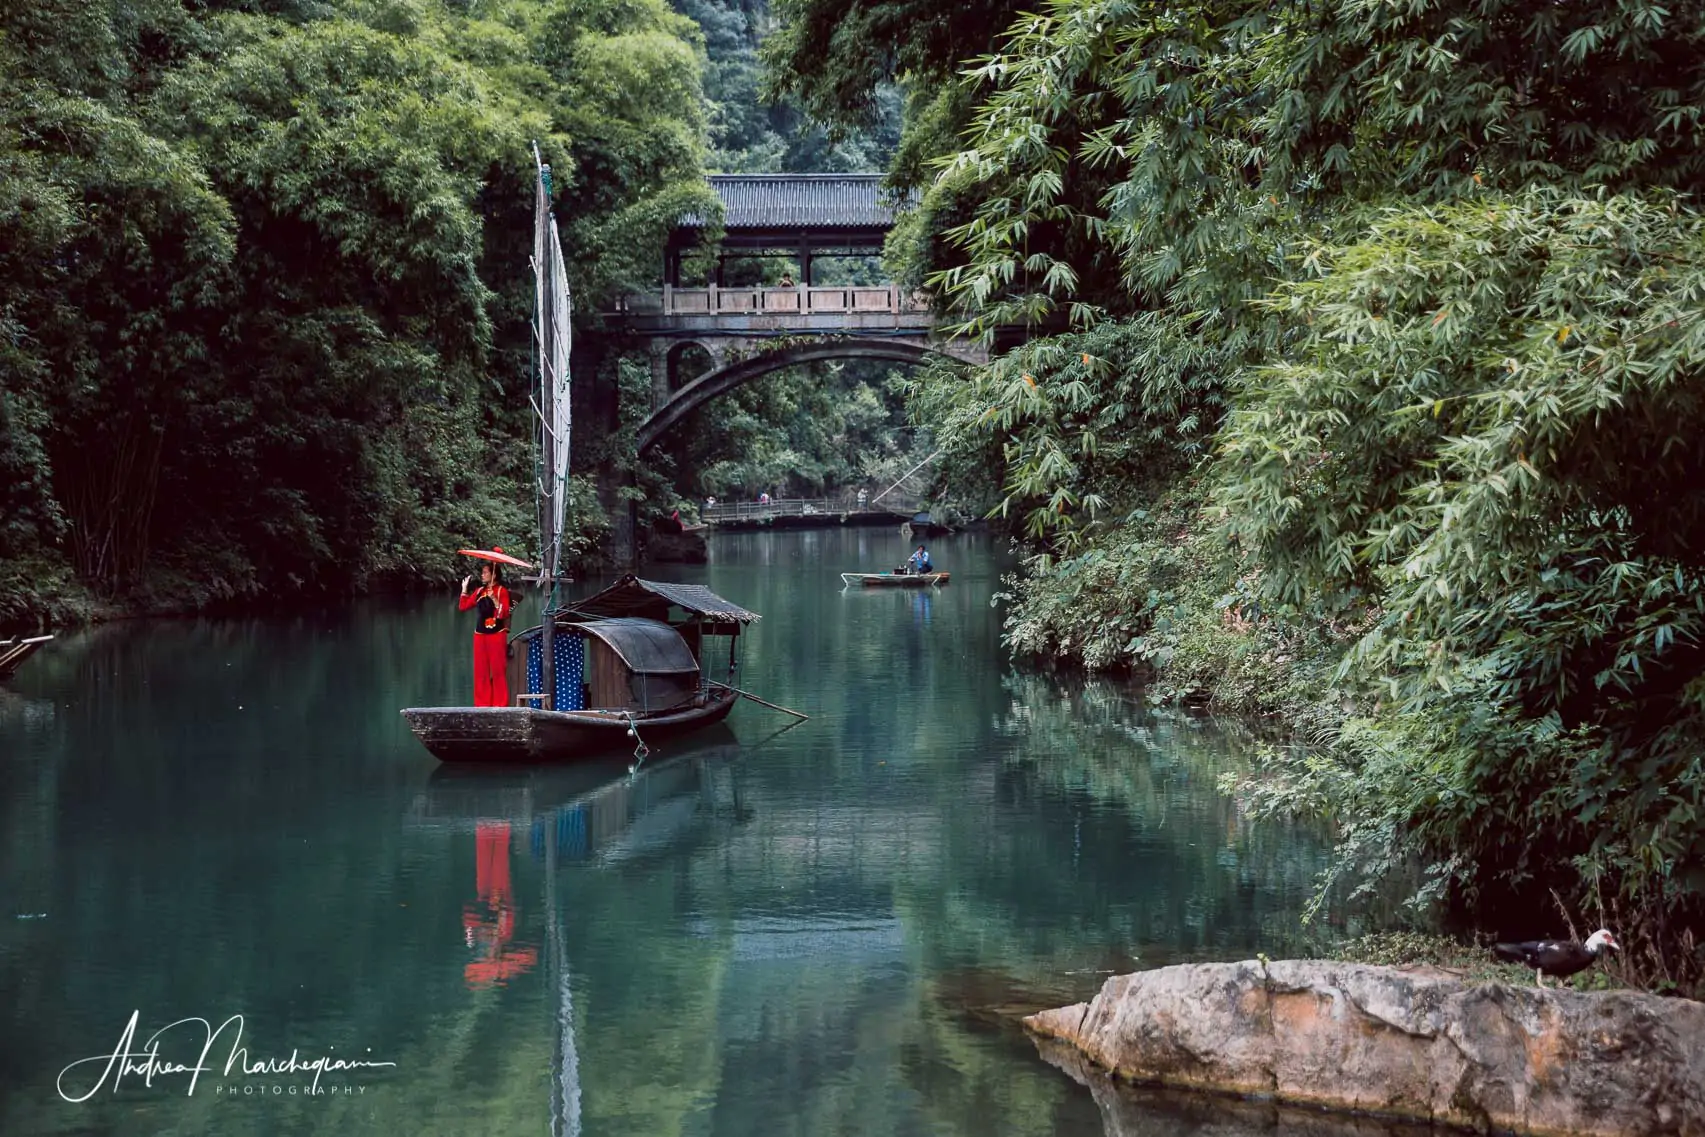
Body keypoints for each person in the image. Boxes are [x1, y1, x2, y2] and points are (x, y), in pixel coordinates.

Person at [459, 560, 512, 707]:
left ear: (494, 575)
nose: (482, 575)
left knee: (498, 671)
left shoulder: (502, 591)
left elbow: (503, 614)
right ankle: (482, 704)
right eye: (482, 573)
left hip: (497, 634)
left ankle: (500, 704)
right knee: (481, 672)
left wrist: (495, 599)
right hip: (480, 635)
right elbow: (463, 606)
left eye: (485, 572)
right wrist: (464, 589)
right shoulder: (479, 591)